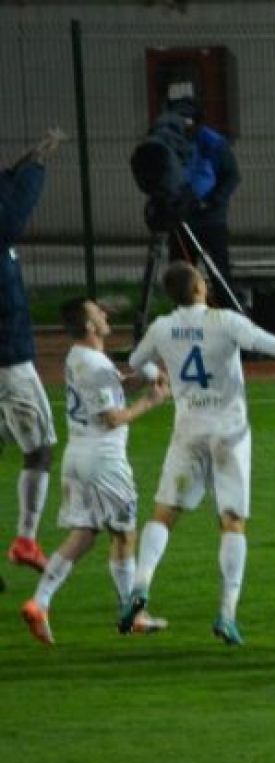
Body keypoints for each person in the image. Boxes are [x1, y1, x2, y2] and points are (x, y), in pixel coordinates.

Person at [119, 259, 275, 646]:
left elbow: (134, 362)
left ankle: (140, 585)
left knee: (165, 513)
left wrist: (156, 375)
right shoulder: (225, 321)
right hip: (229, 433)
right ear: (200, 287)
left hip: (189, 431)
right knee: (232, 521)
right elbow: (273, 345)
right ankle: (227, 613)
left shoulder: (162, 327)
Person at [19, 299, 170, 645]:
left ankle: (40, 602)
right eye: (97, 312)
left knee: (85, 534)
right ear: (89, 326)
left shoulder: (77, 356)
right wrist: (151, 401)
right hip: (104, 461)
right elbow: (112, 417)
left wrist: (143, 379)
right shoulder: (95, 363)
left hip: (77, 456)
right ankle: (132, 614)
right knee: (124, 535)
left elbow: (111, 387)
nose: (104, 314)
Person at [1, 127, 66, 575]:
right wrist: (38, 167)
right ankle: (26, 538)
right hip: (9, 361)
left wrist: (29, 159)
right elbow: (14, 211)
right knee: (40, 447)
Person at [164, 96, 241, 309]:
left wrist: (213, 201)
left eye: (187, 121)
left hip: (211, 218)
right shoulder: (170, 142)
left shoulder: (213, 143)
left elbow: (232, 175)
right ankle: (184, 311)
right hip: (181, 217)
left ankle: (227, 311)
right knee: (181, 272)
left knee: (219, 271)